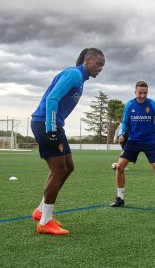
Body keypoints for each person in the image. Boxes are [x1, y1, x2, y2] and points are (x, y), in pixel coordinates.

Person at [31, 48, 105, 235]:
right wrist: (51, 128)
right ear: (87, 61)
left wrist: (55, 126)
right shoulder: (73, 74)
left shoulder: (80, 79)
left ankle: (41, 211)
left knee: (68, 166)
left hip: (55, 124)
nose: (101, 68)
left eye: (102, 65)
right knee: (59, 170)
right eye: (99, 64)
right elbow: (53, 98)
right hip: (45, 123)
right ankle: (46, 222)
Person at [110, 81, 155, 208]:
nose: (143, 95)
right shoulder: (129, 104)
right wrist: (122, 133)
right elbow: (125, 122)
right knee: (120, 167)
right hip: (133, 141)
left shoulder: (153, 104)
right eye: (140, 93)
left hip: (149, 142)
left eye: (145, 93)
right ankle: (120, 198)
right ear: (135, 92)